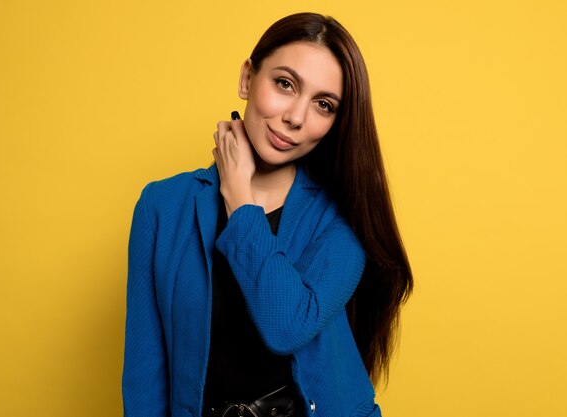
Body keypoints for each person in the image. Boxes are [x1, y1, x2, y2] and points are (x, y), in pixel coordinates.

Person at [122, 12, 413, 417]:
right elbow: (144, 373)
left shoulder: (344, 217)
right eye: (285, 84)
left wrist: (239, 196)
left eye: (323, 105)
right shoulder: (162, 206)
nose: (295, 117)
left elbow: (287, 327)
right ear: (247, 78)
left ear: (335, 123)